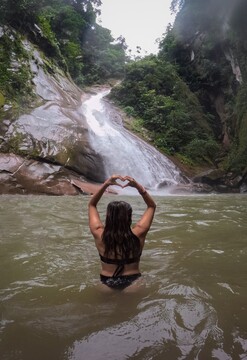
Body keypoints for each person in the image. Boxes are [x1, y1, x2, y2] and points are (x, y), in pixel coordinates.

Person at [88, 174, 156, 291]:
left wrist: (106, 184)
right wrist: (138, 187)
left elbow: (92, 205)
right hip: (133, 282)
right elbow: (151, 206)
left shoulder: (99, 233)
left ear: (108, 217)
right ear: (129, 217)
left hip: (106, 282)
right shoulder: (139, 233)